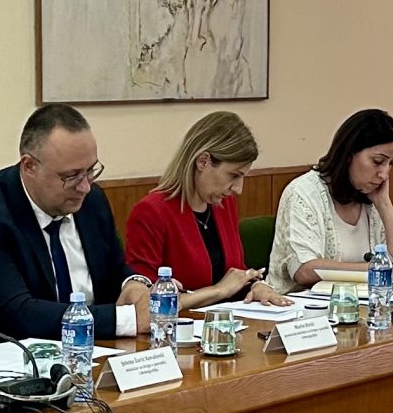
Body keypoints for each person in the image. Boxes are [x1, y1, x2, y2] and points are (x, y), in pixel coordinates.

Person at [0, 104, 147, 342]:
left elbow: (113, 270)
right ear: (29, 166)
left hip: (96, 349)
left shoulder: (91, 202)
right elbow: (17, 316)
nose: (85, 186)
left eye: (90, 171)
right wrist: (127, 320)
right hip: (14, 357)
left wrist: (133, 284)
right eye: (71, 176)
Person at [124, 111, 291, 310]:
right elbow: (145, 303)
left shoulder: (223, 203)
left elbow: (233, 273)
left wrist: (256, 286)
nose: (238, 189)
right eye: (233, 175)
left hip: (227, 320)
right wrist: (219, 290)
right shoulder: (151, 212)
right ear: (203, 162)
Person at [268, 109, 393, 293]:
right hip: (301, 305)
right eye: (378, 161)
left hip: (363, 302)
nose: (384, 174)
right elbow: (304, 270)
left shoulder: (371, 196)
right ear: (349, 154)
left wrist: (384, 205)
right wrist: (375, 269)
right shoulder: (303, 192)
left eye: (391, 164)